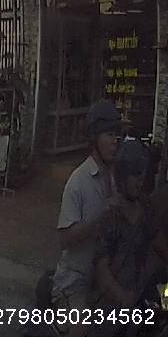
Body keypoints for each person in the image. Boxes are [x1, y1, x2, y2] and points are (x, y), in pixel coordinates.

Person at [52, 100, 123, 309]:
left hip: (105, 282)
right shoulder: (79, 181)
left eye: (117, 135)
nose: (115, 141)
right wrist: (101, 216)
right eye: (109, 135)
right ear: (94, 138)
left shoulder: (115, 179)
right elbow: (64, 240)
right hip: (75, 283)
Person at [90, 138, 168, 320]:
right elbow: (101, 270)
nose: (140, 179)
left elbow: (159, 243)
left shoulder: (145, 208)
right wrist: (123, 298)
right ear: (122, 176)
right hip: (110, 305)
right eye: (135, 173)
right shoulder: (110, 215)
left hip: (141, 296)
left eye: (142, 173)